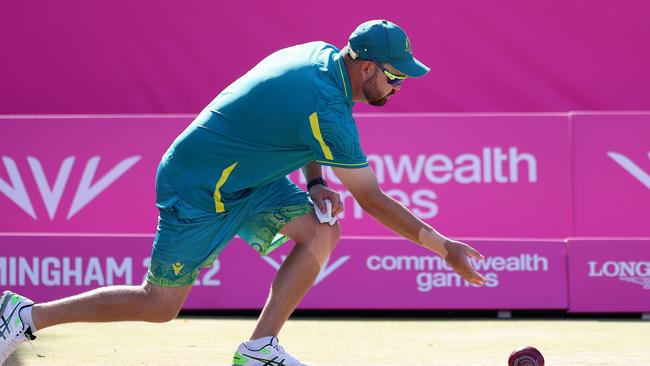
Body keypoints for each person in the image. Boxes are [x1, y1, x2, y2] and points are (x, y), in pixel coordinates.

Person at [0, 19, 486, 366]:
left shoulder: (320, 57)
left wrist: (314, 181)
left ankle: (259, 349)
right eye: (395, 75)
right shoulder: (329, 110)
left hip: (248, 178)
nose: (399, 85)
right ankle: (26, 315)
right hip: (198, 186)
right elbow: (372, 200)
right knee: (158, 305)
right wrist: (444, 249)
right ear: (365, 68)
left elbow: (304, 127)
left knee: (321, 231)